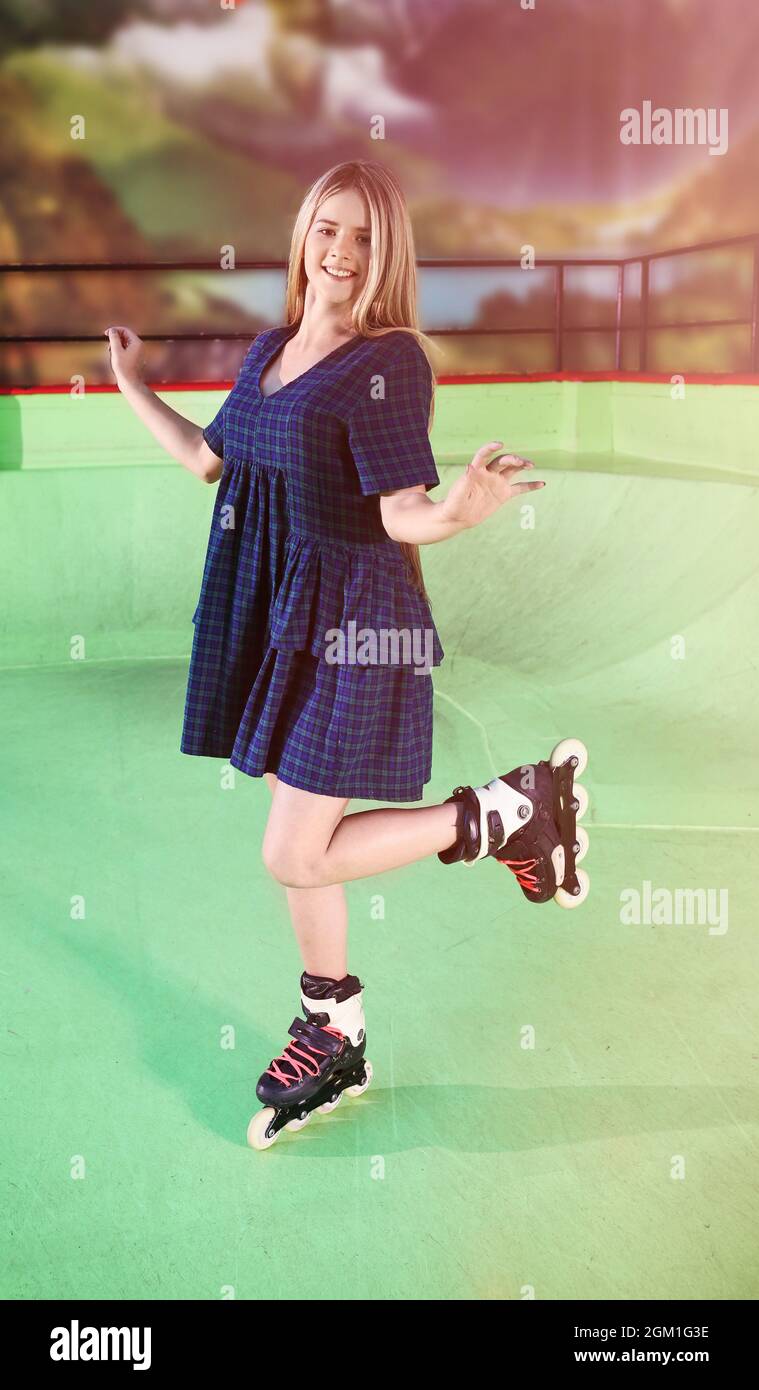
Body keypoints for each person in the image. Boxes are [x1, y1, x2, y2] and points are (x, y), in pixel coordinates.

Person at [105, 159, 589, 1151]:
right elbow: (211, 458)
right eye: (328, 228)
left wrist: (458, 508)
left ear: (390, 255)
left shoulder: (390, 359)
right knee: (304, 841)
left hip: (359, 625)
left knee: (291, 849)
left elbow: (401, 508)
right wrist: (130, 385)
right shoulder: (273, 348)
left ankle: (509, 810)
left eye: (366, 237)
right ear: (302, 235)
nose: (341, 251)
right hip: (284, 617)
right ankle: (335, 1023)